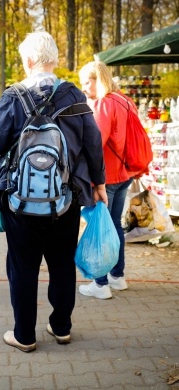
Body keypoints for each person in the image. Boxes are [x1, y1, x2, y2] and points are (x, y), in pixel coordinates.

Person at [0, 31, 107, 352]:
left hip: (19, 200)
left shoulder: (12, 97)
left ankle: (24, 335)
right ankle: (61, 327)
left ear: (28, 61)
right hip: (66, 198)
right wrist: (100, 184)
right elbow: (93, 144)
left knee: (23, 266)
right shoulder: (75, 97)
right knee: (62, 263)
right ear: (54, 60)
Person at [78, 60, 135, 299]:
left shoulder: (103, 104)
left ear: (98, 79)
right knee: (115, 227)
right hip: (124, 174)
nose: (83, 88)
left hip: (106, 177)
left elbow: (95, 144)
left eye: (87, 82)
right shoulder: (124, 101)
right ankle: (117, 276)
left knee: (101, 228)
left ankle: (100, 284)